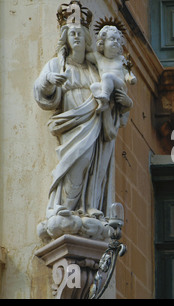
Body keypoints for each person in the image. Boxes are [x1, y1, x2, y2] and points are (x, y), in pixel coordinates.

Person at [34, 22, 133, 240]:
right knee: (75, 163)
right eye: (72, 34)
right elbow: (41, 93)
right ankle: (62, 208)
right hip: (71, 124)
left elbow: (117, 98)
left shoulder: (95, 70)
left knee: (92, 164)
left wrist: (126, 102)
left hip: (96, 124)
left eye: (80, 33)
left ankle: (89, 208)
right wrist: (49, 81)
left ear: (87, 38)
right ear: (66, 40)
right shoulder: (57, 65)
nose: (77, 37)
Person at [88, 25, 137, 114]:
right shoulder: (99, 58)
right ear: (102, 43)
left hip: (120, 87)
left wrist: (131, 78)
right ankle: (103, 103)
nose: (116, 42)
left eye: (118, 40)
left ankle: (105, 96)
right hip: (105, 86)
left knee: (107, 76)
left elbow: (127, 72)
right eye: (112, 39)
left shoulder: (121, 59)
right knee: (94, 86)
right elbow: (85, 55)